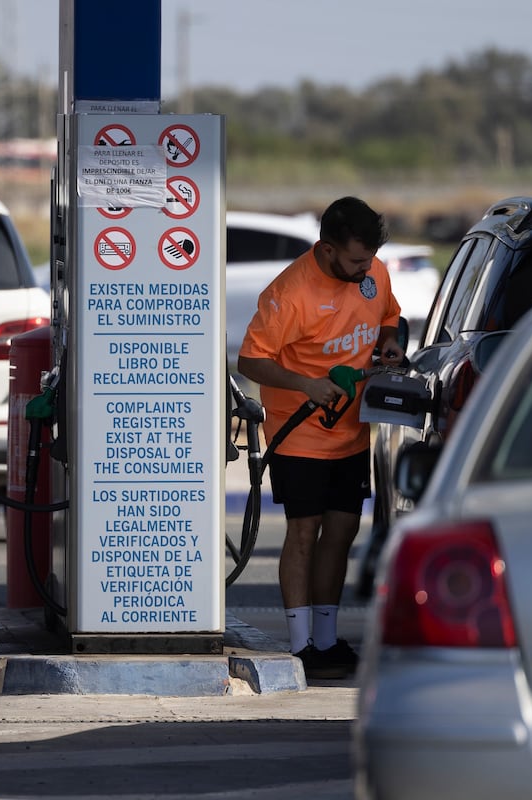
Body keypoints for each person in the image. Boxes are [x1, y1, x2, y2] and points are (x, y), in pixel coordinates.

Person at [237, 195, 404, 679]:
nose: (365, 268)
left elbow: (389, 316)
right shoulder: (290, 293)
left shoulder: (373, 274)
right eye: (356, 260)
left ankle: (327, 641)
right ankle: (300, 644)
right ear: (327, 249)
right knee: (304, 532)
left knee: (343, 531)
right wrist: (306, 384)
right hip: (299, 434)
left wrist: (390, 342)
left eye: (370, 259)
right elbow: (251, 360)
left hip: (352, 431)